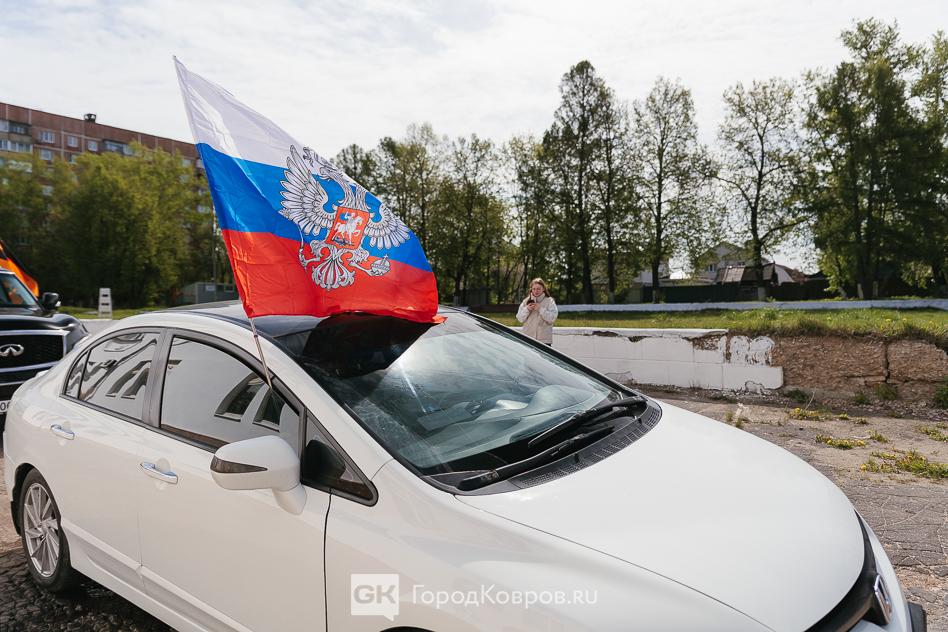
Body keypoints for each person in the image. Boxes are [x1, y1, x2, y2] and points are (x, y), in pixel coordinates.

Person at [516, 278, 558, 345]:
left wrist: (540, 309)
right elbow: (520, 318)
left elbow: (552, 319)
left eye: (538, 289)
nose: (536, 291)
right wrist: (527, 309)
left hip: (544, 341)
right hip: (528, 339)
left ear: (543, 289)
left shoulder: (550, 301)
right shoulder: (526, 301)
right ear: (531, 289)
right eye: (534, 289)